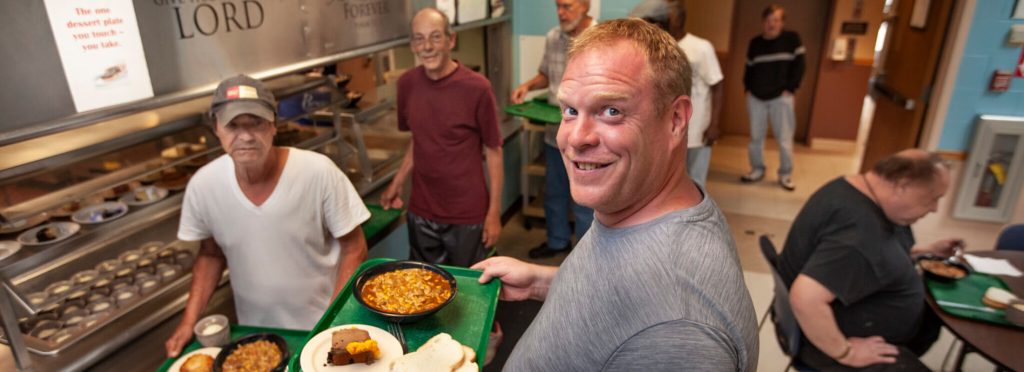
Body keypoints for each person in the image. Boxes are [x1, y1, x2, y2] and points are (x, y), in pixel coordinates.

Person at [472, 18, 759, 370]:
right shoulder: (635, 206)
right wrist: (544, 281)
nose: (576, 138)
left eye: (611, 111)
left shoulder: (677, 333)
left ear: (676, 120)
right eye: (570, 111)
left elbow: (654, 313)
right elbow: (623, 289)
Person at [165, 75, 370, 357]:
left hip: (321, 328)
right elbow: (210, 254)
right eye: (233, 125)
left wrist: (333, 322)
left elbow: (354, 247)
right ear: (216, 128)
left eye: (257, 123)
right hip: (256, 337)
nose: (246, 136)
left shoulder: (318, 172)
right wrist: (188, 323)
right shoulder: (204, 186)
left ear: (274, 124)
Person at [778, 149, 958, 371]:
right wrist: (846, 352)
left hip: (834, 322)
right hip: (825, 342)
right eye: (933, 198)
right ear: (902, 185)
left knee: (932, 314)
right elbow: (805, 298)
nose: (934, 209)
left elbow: (866, 259)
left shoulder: (851, 188)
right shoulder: (860, 236)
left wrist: (922, 252)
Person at [380, 8, 503, 267]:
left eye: (435, 37)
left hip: (467, 214)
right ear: (412, 44)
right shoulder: (406, 84)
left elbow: (494, 151)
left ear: (451, 40)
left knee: (468, 289)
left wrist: (493, 214)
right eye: (419, 38)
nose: (427, 47)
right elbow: (419, 138)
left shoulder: (478, 88)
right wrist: (398, 181)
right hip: (421, 211)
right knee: (424, 288)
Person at [511, 0, 596, 259]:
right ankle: (557, 241)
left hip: (587, 138)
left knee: (586, 201)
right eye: (558, 6)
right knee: (555, 192)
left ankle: (586, 255)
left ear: (585, 5)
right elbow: (546, 75)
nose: (560, 12)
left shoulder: (602, 39)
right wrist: (527, 85)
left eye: (567, 6)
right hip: (554, 135)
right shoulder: (552, 37)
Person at [630, 0, 723, 186]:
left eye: (668, 15)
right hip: (666, 129)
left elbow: (718, 86)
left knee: (696, 180)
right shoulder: (655, 48)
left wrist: (714, 124)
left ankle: (696, 215)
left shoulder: (702, 47)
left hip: (696, 130)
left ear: (679, 18)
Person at [741, 4, 805, 191]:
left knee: (784, 139)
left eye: (776, 20)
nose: (771, 24)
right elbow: (749, 68)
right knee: (755, 138)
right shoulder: (755, 43)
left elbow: (800, 66)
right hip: (756, 97)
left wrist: (791, 88)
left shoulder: (792, 39)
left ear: (782, 22)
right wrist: (747, 88)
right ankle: (757, 169)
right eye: (768, 20)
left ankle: (785, 174)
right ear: (763, 22)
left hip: (781, 97)